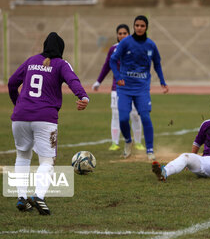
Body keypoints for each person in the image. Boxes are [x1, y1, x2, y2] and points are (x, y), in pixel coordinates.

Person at [8, 32, 89, 215]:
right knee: (47, 160)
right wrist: (83, 97)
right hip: (45, 118)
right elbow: (72, 80)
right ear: (61, 49)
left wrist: (18, 104)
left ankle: (22, 197)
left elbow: (12, 83)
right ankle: (39, 196)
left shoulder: (31, 61)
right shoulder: (61, 64)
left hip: (20, 116)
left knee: (22, 156)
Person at [110, 15, 169, 160]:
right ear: (134, 26)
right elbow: (113, 60)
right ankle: (128, 141)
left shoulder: (151, 45)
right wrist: (118, 78)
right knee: (123, 119)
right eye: (137, 25)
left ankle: (149, 150)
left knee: (146, 117)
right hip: (125, 88)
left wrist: (162, 81)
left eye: (142, 25)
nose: (139, 28)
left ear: (146, 27)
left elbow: (157, 64)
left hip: (142, 88)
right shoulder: (125, 43)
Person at [92, 24, 145, 152]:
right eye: (120, 33)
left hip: (133, 88)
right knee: (116, 115)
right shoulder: (113, 49)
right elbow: (107, 66)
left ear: (129, 34)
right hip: (117, 88)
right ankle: (115, 143)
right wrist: (98, 81)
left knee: (135, 115)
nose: (122, 35)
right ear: (117, 35)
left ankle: (138, 143)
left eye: (124, 33)